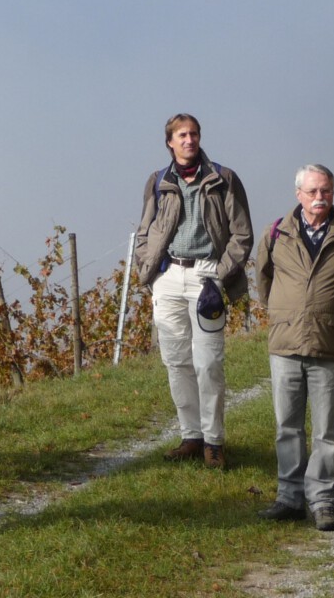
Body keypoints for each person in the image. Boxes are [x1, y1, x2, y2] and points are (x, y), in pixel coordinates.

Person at [254, 163, 334, 532]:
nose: (319, 198)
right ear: (298, 195)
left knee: (326, 429)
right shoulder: (276, 232)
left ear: (333, 193)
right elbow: (263, 281)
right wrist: (283, 316)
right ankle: (289, 498)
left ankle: (323, 500)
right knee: (286, 426)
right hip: (285, 344)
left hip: (329, 344)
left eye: (326, 191)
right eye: (312, 192)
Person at [134, 113, 253, 470]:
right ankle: (191, 437)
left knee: (209, 363)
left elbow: (242, 234)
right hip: (169, 276)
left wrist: (220, 274)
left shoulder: (223, 178)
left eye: (194, 134)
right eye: (182, 135)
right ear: (169, 141)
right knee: (176, 362)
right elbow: (145, 229)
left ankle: (213, 441)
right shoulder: (158, 181)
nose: (189, 140)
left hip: (207, 276)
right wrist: (150, 269)